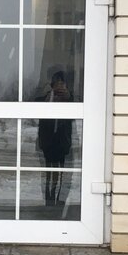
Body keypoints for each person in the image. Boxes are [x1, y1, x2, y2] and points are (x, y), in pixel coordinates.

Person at [37, 71, 73, 205]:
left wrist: (68, 97)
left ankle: (60, 201)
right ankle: (48, 200)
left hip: (63, 142)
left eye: (62, 84)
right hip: (47, 141)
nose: (59, 87)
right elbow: (35, 105)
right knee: (47, 173)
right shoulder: (46, 97)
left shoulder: (69, 98)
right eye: (57, 84)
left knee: (63, 173)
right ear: (52, 85)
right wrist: (49, 98)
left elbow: (80, 106)